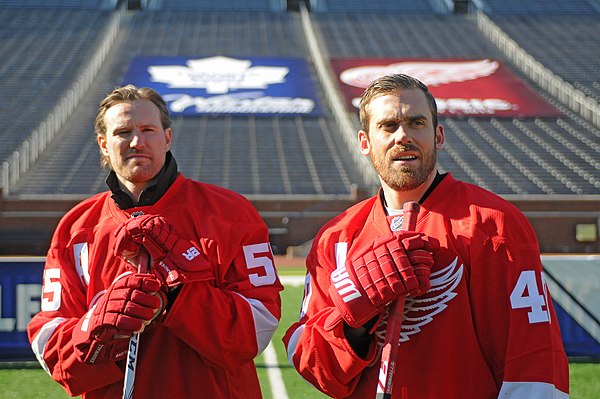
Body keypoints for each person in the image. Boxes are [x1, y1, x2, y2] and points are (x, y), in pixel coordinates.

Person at [283, 74, 569, 398]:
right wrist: (354, 325)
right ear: (364, 142)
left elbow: (532, 362)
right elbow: (314, 366)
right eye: (388, 126)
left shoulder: (494, 225)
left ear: (438, 135)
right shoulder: (334, 239)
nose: (403, 136)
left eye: (416, 123)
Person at [27, 85, 283, 399]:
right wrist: (97, 324)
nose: (137, 142)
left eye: (148, 129)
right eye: (122, 132)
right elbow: (53, 348)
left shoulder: (232, 213)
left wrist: (178, 297)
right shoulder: (75, 228)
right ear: (103, 145)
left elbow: (254, 335)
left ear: (168, 137)